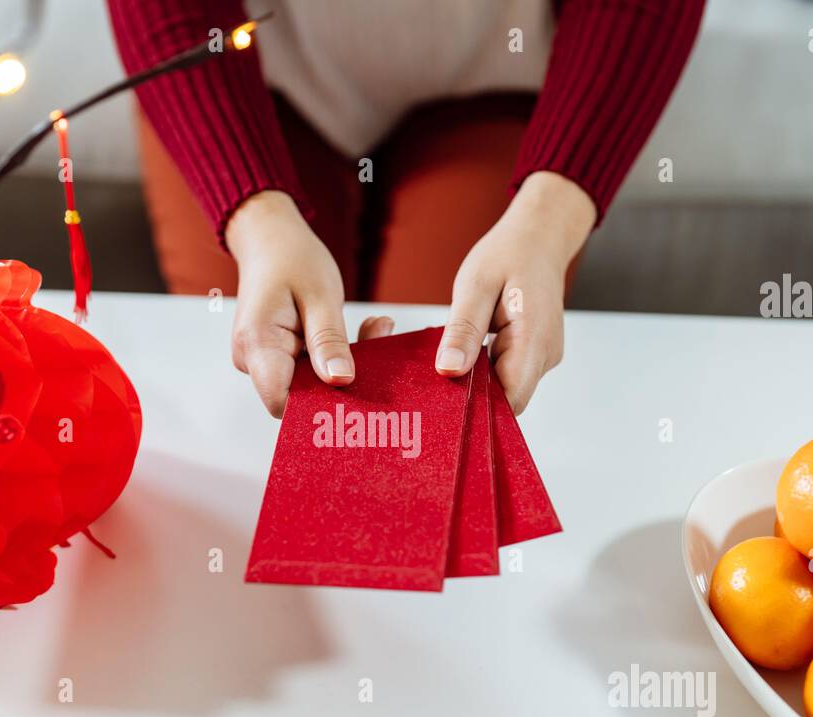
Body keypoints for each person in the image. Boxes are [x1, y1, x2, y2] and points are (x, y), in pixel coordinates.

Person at [108, 0, 704, 415]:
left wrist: (548, 222)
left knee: (452, 391)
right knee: (253, 373)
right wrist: (258, 222)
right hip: (254, 74)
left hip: (498, 68)